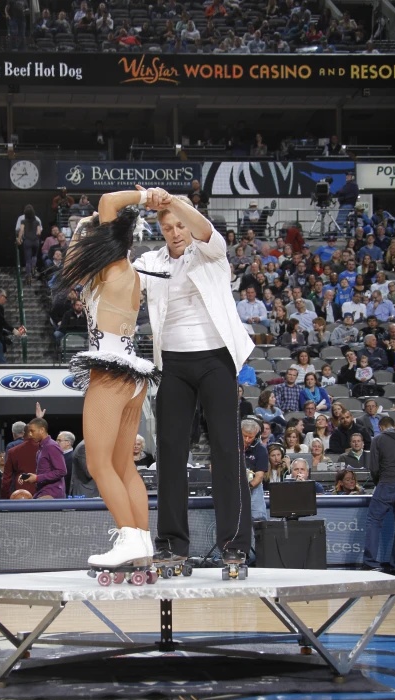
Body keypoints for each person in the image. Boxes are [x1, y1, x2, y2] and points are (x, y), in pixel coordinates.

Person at [133, 186, 254, 565]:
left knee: (226, 449)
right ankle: (171, 544)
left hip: (216, 358)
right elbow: (125, 284)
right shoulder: (150, 261)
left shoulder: (210, 252)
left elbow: (202, 228)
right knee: (169, 452)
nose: (176, 232)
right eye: (168, 227)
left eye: (180, 224)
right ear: (161, 230)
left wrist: (171, 202)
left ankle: (234, 545)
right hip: (173, 364)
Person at [60, 189, 163, 567]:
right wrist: (81, 229)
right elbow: (73, 263)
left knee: (99, 464)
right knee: (124, 467)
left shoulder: (111, 267)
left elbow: (107, 201)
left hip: (110, 371)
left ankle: (127, 537)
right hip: (134, 375)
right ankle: (142, 543)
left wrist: (145, 195)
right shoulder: (129, 274)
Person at [363, 415, 395, 577]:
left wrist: (380, 482)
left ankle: (370, 563)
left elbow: (374, 467)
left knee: (374, 521)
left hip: (387, 483)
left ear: (382, 427)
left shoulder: (379, 438)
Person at [19, 418, 66, 499]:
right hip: (42, 491)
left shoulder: (51, 446)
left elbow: (61, 471)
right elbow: (45, 470)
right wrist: (29, 476)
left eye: (32, 431)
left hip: (51, 493)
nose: (30, 434)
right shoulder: (42, 447)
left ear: (42, 430)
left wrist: (37, 478)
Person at [0, 425, 39, 499]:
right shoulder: (44, 449)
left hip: (19, 491)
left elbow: (7, 478)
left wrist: (4, 498)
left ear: (24, 433)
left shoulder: (12, 450)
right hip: (40, 491)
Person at [241, 418, 267, 522]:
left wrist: (247, 487)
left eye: (250, 437)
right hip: (231, 486)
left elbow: (259, 476)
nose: (247, 440)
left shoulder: (261, 449)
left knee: (258, 518)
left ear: (256, 436)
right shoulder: (230, 446)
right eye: (244, 436)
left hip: (252, 486)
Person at [17, 206, 41, 285]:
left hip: (27, 241)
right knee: (34, 256)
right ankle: (33, 266)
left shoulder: (23, 221)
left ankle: (28, 275)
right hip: (36, 241)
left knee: (28, 260)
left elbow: (21, 230)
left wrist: (19, 239)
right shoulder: (37, 221)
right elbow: (39, 232)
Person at [56, 430, 75, 496]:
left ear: (68, 443)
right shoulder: (60, 456)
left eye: (59, 440)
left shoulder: (72, 458)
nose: (56, 442)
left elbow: (69, 478)